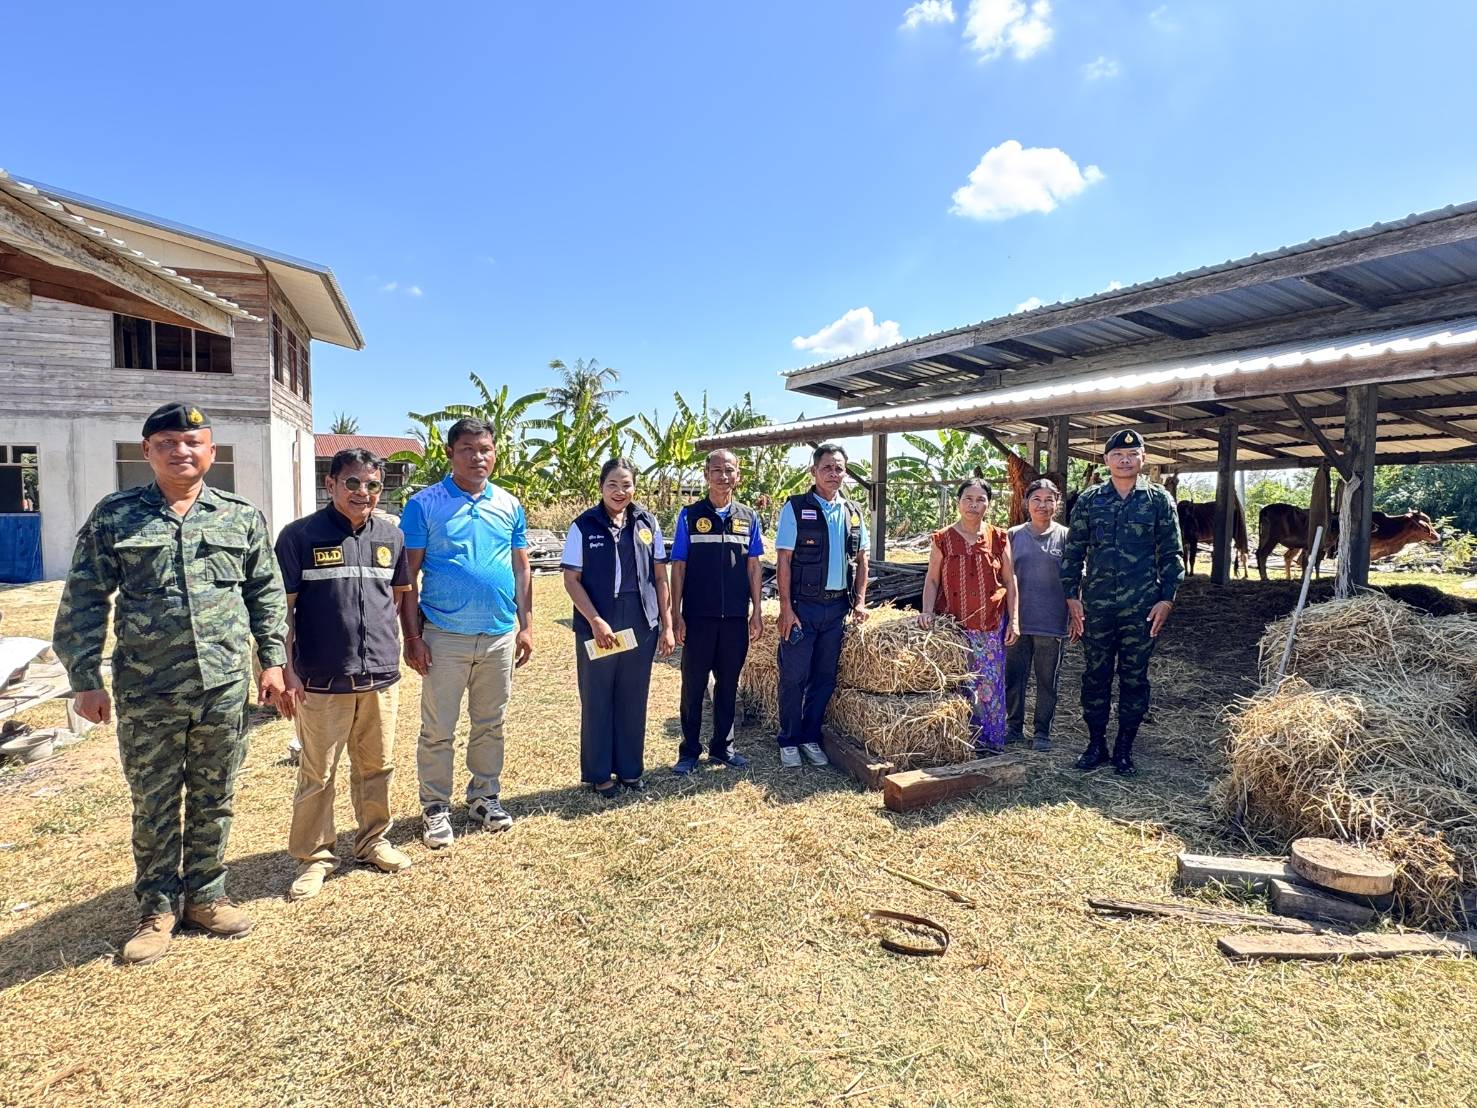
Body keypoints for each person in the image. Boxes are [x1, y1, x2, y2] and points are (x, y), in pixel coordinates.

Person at [53, 402, 288, 965]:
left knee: (215, 795)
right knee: (154, 803)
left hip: (222, 685)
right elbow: (85, 597)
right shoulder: (116, 516)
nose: (181, 451)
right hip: (147, 689)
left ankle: (206, 896)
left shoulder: (240, 516)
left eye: (192, 442)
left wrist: (273, 660)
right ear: (147, 450)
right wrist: (85, 678)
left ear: (211, 451)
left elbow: (265, 593)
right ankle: (157, 909)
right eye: (166, 443)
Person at [275, 448, 414, 900]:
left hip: (379, 676)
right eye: (352, 482)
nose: (362, 492)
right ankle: (315, 857)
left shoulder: (391, 536)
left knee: (377, 766)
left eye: (372, 485)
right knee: (318, 773)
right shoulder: (299, 537)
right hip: (321, 679)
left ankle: (373, 841)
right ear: (331, 484)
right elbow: (282, 612)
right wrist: (286, 669)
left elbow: (396, 598)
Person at [400, 417, 534, 849]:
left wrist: (526, 626)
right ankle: (435, 806)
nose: (478, 457)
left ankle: (484, 797)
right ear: (449, 453)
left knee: (491, 723)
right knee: (438, 728)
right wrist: (413, 637)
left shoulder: (509, 504)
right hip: (444, 635)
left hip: (498, 634)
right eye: (468, 449)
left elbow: (521, 567)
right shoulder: (424, 504)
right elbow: (408, 575)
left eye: (486, 449)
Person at [1061, 429, 1185, 777]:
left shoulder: (1158, 500)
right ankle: (1096, 744)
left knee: (1134, 678)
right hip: (1097, 607)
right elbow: (1074, 551)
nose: (1125, 460)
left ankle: (1124, 749)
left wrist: (1167, 600)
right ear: (1106, 460)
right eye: (1118, 455)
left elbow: (1172, 554)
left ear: (1143, 458)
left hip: (1142, 608)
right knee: (1095, 676)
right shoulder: (1089, 500)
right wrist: (1072, 597)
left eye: (1132, 454)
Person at [561, 458, 675, 796]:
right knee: (597, 697)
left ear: (634, 488)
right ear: (601, 487)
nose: (619, 491)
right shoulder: (584, 526)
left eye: (626, 485)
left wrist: (667, 624)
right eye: (612, 484)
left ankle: (630, 770)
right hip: (599, 622)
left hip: (640, 621)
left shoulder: (647, 522)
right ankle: (600, 774)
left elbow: (660, 576)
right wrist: (595, 620)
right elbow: (571, 579)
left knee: (633, 696)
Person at [669, 449, 764, 775]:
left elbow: (754, 566)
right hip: (698, 617)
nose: (723, 476)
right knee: (693, 686)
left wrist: (756, 611)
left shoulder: (749, 517)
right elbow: (678, 566)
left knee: (728, 685)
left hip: (735, 618)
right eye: (717, 470)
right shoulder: (689, 515)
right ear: (706, 474)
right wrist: (677, 614)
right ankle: (689, 752)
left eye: (730, 470)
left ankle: (723, 748)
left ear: (738, 475)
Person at [774, 444, 869, 769]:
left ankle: (810, 736)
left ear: (845, 473)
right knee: (794, 676)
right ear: (813, 471)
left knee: (824, 677)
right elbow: (784, 560)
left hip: (836, 610)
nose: (833, 473)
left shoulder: (853, 512)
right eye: (827, 467)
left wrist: (859, 602)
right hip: (803, 609)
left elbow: (862, 560)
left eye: (839, 468)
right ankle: (789, 739)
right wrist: (786, 609)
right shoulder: (796, 507)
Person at [919, 479, 1019, 754]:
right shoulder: (942, 539)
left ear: (989, 504)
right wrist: (927, 612)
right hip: (954, 627)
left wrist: (1014, 620)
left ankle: (990, 742)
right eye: (968, 499)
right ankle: (961, 743)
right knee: (958, 684)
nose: (974, 505)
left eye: (980, 500)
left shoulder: (998, 537)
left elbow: (1009, 581)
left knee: (989, 684)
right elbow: (932, 580)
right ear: (958, 502)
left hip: (990, 625)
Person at [1005, 478, 1071, 751]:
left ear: (1057, 504)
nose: (1042, 505)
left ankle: (1042, 732)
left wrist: (1076, 613)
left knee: (1047, 681)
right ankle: (1013, 727)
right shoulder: (1013, 535)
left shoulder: (1066, 537)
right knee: (1014, 677)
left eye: (1048, 500)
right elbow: (1004, 577)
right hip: (1017, 622)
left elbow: (1076, 578)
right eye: (1036, 499)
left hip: (1051, 622)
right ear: (1026, 503)